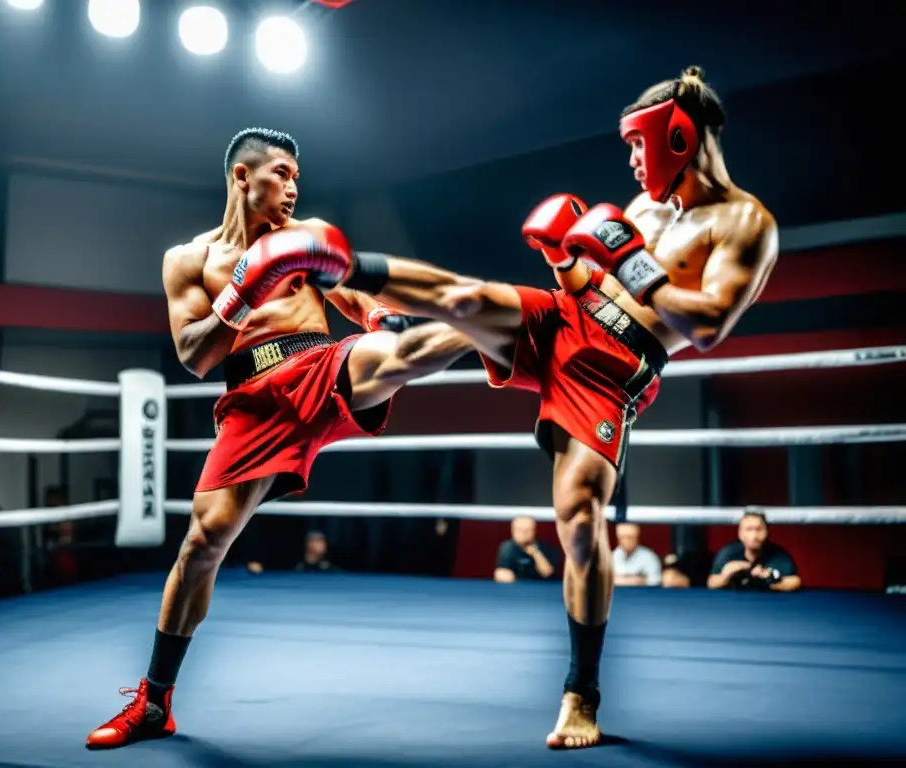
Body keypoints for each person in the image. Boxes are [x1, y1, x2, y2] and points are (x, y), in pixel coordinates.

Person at [285, 66, 778, 749]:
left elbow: (708, 323)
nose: (632, 163)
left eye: (639, 146)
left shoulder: (747, 222)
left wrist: (631, 261)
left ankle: (582, 693)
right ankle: (335, 262)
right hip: (569, 317)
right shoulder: (640, 210)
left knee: (578, 520)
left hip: (614, 368)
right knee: (467, 300)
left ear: (677, 135)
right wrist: (565, 260)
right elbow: (592, 278)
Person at [86, 128, 473, 749]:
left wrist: (377, 316)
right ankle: (155, 703)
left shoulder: (304, 235)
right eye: (283, 174)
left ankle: (516, 318)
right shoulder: (189, 260)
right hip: (251, 402)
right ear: (243, 176)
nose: (294, 188)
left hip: (320, 367)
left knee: (394, 354)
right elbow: (193, 355)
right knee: (202, 544)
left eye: (297, 177)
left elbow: (352, 293)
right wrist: (243, 293)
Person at [708, 507, 801, 592]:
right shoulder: (728, 553)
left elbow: (795, 582)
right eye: (748, 529)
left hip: (770, 605)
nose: (754, 536)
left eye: (759, 529)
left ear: (767, 531)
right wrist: (725, 576)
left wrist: (770, 579)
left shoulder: (778, 555)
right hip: (735, 605)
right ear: (740, 533)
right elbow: (712, 582)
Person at [494, 515, 557, 583]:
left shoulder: (546, 547)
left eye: (527, 530)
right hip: (515, 587)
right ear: (512, 531)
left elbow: (547, 574)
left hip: (541, 587)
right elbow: (501, 573)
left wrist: (536, 554)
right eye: (519, 530)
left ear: (534, 531)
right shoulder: (507, 547)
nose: (523, 534)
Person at [611, 523, 662, 587]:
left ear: (637, 538)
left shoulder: (649, 557)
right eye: (622, 537)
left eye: (630, 538)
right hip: (619, 595)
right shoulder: (612, 556)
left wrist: (620, 580)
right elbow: (607, 582)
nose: (626, 541)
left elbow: (655, 581)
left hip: (643, 595)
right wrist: (638, 580)